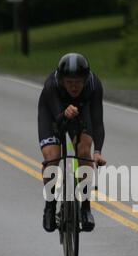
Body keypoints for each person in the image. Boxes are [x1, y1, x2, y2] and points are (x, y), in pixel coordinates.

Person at [38, 53, 106, 233]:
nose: (74, 86)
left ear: (86, 79)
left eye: (78, 82)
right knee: (52, 158)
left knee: (84, 153)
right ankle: (50, 206)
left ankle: (85, 208)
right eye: (69, 82)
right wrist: (63, 114)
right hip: (53, 115)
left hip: (81, 115)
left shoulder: (94, 85)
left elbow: (98, 122)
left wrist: (97, 152)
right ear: (61, 80)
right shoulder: (52, 85)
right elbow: (58, 122)